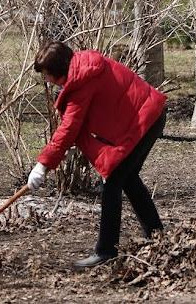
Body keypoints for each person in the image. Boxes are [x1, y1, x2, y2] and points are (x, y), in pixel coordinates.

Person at [27, 41, 167, 268]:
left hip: (145, 121)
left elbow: (69, 128)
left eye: (48, 75)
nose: (47, 80)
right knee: (128, 179)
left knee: (113, 183)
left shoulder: (81, 82)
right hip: (147, 116)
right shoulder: (82, 67)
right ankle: (157, 236)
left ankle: (106, 251)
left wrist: (42, 165)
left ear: (59, 71)